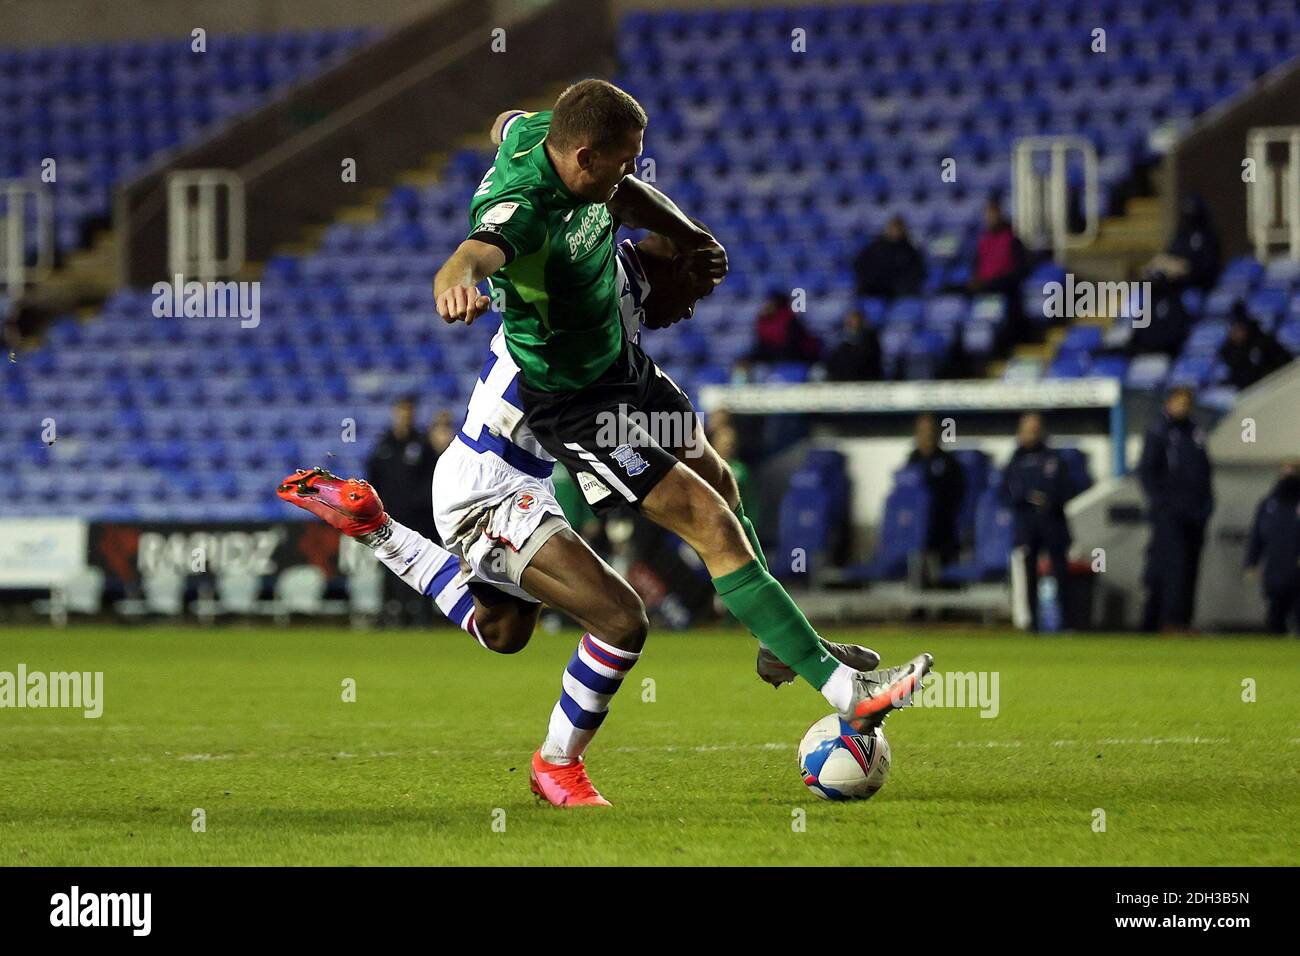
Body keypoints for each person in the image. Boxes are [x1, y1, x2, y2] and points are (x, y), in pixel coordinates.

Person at [430, 80, 931, 805]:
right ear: (582, 154)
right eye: (624, 158)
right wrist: (456, 286)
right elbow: (470, 255)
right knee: (706, 521)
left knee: (721, 484)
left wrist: (691, 236)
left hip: (625, 371)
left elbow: (512, 125)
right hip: (577, 404)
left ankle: (777, 641)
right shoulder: (522, 213)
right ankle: (845, 687)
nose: (635, 168)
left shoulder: (545, 136)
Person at [1137, 386, 1214, 632]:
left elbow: (1205, 472)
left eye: (1187, 403)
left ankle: (1183, 620)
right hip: (1170, 514)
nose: (1183, 407)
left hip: (1195, 513)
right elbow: (1147, 471)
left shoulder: (1196, 433)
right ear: (1169, 403)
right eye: (1179, 402)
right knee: (1172, 567)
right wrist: (1162, 503)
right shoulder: (1159, 432)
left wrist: (1207, 504)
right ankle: (1169, 620)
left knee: (1190, 567)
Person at [998, 413, 1075, 631]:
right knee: (1028, 574)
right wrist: (1024, 498)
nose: (1032, 433)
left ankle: (1068, 623)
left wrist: (1050, 500)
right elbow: (1005, 493)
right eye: (1027, 429)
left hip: (1053, 523)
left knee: (1061, 571)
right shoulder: (1015, 461)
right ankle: (1031, 624)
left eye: (1035, 429)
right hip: (1027, 524)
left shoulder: (1054, 458)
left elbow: (1068, 488)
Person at [366, 396, 439, 624]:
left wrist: (422, 504)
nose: (405, 415)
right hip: (390, 519)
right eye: (402, 411)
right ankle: (391, 612)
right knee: (389, 565)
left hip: (420, 519)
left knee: (422, 564)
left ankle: (424, 614)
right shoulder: (383, 445)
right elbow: (373, 479)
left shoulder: (423, 444)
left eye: (409, 411)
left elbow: (434, 478)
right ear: (396, 412)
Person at [1244, 461, 1300, 634]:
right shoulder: (1269, 504)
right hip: (1275, 567)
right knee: (1275, 614)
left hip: (1297, 568)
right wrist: (1251, 563)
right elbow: (1256, 536)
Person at [906, 414, 965, 570]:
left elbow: (956, 498)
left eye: (931, 431)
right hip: (914, 528)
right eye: (922, 431)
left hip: (942, 528)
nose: (927, 436)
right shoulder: (912, 461)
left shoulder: (948, 463)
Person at [1219, 304, 1291, 391]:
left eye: (1238, 328)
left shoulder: (1264, 341)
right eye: (1233, 330)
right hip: (1248, 390)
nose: (1234, 333)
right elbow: (1237, 374)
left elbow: (1284, 361)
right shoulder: (1229, 350)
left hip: (1273, 385)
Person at [853, 215, 925, 300]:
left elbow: (916, 272)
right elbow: (860, 264)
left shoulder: (909, 250)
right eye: (891, 228)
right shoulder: (874, 247)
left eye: (897, 228)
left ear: (903, 230)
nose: (893, 231)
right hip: (873, 289)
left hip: (898, 292)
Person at [749, 289, 821, 364]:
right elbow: (761, 342)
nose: (766, 305)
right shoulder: (763, 319)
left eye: (770, 302)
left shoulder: (790, 319)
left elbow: (793, 343)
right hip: (772, 353)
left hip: (793, 355)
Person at [824, 308, 883, 382]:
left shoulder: (870, 337)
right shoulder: (840, 339)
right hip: (843, 379)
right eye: (850, 319)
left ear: (862, 321)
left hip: (866, 378)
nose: (852, 322)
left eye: (855, 319)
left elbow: (870, 359)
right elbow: (834, 360)